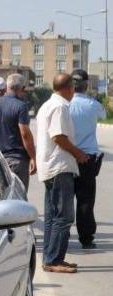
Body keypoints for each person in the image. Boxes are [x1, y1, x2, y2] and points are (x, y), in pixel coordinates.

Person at [36, 73, 89, 273]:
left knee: (53, 216)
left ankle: (51, 258)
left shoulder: (47, 105)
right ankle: (54, 260)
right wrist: (78, 153)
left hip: (50, 167)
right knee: (64, 216)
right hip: (59, 167)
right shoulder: (60, 107)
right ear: (69, 88)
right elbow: (58, 136)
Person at [68, 69, 106, 249]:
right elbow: (104, 115)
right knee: (86, 200)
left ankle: (62, 234)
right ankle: (86, 238)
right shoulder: (93, 104)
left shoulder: (64, 104)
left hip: (67, 155)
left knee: (65, 198)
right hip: (87, 159)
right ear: (86, 85)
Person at [0, 73, 36, 189]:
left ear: (7, 87)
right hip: (17, 160)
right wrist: (33, 157)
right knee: (18, 195)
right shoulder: (21, 106)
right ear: (22, 88)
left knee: (2, 195)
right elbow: (25, 134)